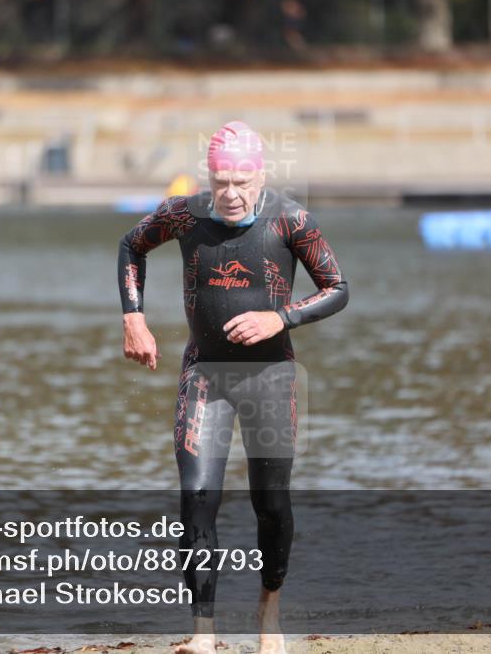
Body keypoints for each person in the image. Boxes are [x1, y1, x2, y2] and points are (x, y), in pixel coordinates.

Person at [117, 121, 349, 654]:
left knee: (270, 503)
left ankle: (269, 610)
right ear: (210, 177)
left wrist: (281, 319)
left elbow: (338, 288)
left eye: (242, 181)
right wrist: (134, 317)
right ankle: (204, 632)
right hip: (204, 374)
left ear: (260, 176)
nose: (230, 193)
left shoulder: (291, 218)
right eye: (221, 181)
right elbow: (131, 246)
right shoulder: (185, 214)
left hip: (271, 375)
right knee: (197, 498)